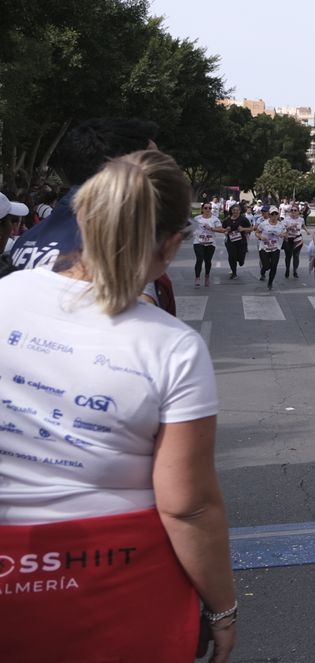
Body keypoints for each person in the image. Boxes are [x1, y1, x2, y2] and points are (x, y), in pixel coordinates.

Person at [0, 150, 238, 662]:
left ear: (81, 216)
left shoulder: (4, 296)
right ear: (171, 244)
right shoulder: (172, 346)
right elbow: (187, 504)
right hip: (117, 580)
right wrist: (222, 609)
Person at [8, 118, 159, 274]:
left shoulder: (26, 241)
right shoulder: (121, 251)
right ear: (121, 171)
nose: (164, 177)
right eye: (155, 166)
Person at [219, 203, 254, 280]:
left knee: (241, 261)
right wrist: (226, 231)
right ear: (231, 211)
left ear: (240, 211)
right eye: (234, 210)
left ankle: (241, 261)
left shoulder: (243, 219)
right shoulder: (226, 220)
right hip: (230, 242)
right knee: (232, 257)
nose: (235, 212)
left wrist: (243, 229)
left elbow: (251, 229)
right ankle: (234, 273)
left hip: (242, 242)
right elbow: (222, 230)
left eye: (237, 210)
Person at [193, 201, 222, 287]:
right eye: (206, 208)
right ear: (202, 209)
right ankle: (197, 277)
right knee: (199, 259)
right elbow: (191, 228)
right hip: (198, 242)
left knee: (208, 261)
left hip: (210, 243)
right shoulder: (197, 218)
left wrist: (211, 228)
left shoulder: (215, 219)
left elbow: (220, 229)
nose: (208, 210)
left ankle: (207, 276)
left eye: (209, 208)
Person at [255, 207, 286, 290]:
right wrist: (261, 236)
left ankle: (270, 282)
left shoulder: (281, 224)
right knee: (266, 265)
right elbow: (257, 232)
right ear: (269, 215)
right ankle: (263, 270)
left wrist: (282, 235)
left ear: (278, 215)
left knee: (274, 266)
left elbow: (286, 234)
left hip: (275, 248)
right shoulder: (263, 224)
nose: (274, 216)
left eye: (276, 214)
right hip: (264, 247)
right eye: (272, 214)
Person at [282, 204, 306, 279]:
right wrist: (290, 227)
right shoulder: (286, 219)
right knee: (288, 256)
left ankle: (295, 270)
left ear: (298, 212)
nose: (293, 212)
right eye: (291, 210)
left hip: (297, 239)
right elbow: (283, 228)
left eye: (295, 210)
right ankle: (287, 269)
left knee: (296, 256)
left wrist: (307, 230)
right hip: (288, 239)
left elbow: (303, 225)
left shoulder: (301, 219)